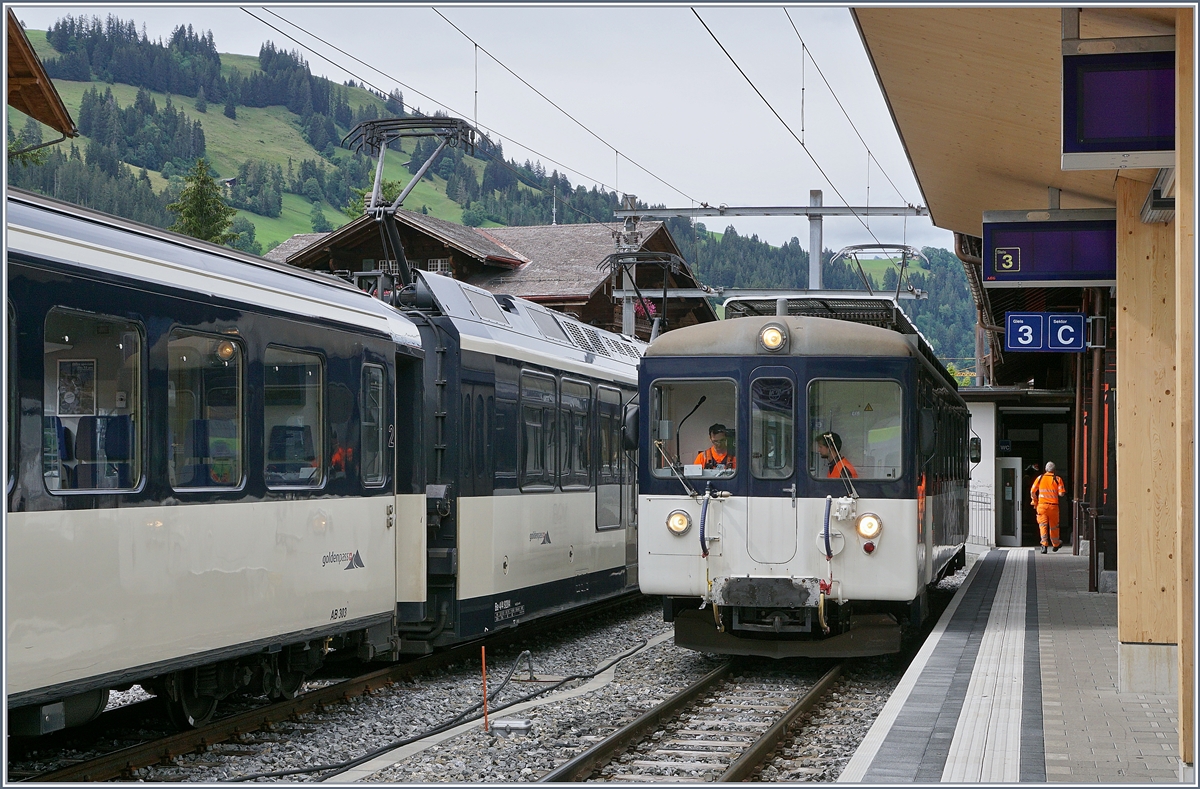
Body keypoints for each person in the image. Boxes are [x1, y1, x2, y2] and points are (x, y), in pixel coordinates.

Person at [1030, 460, 1066, 553]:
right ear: (1054, 470)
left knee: (1043, 526)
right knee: (1054, 527)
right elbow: (1061, 493)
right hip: (1053, 507)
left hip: (1041, 507)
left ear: (1046, 469)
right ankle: (1056, 544)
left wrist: (1035, 501)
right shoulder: (1057, 479)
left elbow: (1032, 491)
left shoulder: (1040, 478)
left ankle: (1044, 545)